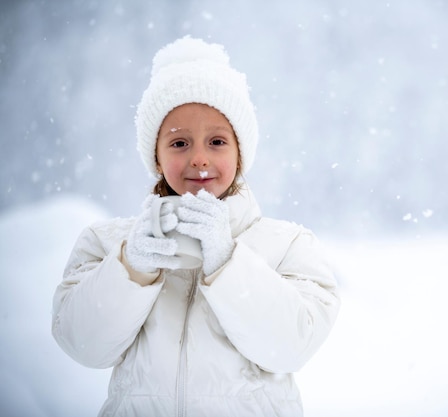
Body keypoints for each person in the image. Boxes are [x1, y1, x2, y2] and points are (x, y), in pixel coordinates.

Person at [51, 36, 340, 417]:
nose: (199, 158)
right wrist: (131, 267)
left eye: (217, 141)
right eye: (179, 143)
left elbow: (291, 347)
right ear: (156, 156)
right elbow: (82, 345)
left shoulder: (288, 246)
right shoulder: (107, 245)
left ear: (241, 154)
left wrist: (227, 262)